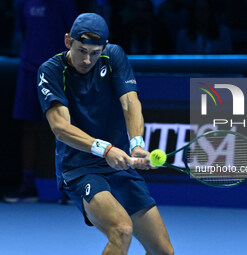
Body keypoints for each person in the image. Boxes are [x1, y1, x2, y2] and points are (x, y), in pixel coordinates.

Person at [37, 13, 174, 255]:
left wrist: (137, 144)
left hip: (119, 166)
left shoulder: (114, 56)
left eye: (95, 52)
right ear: (68, 41)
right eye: (81, 50)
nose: (88, 59)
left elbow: (130, 103)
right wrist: (105, 149)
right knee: (121, 230)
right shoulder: (51, 71)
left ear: (105, 48)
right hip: (80, 168)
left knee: (164, 252)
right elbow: (61, 127)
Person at [4, 0, 78, 203]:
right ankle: (28, 187)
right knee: (28, 128)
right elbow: (24, 31)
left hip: (57, 72)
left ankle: (69, 187)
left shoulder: (65, 4)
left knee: (63, 130)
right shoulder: (23, 3)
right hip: (29, 70)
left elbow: (73, 38)